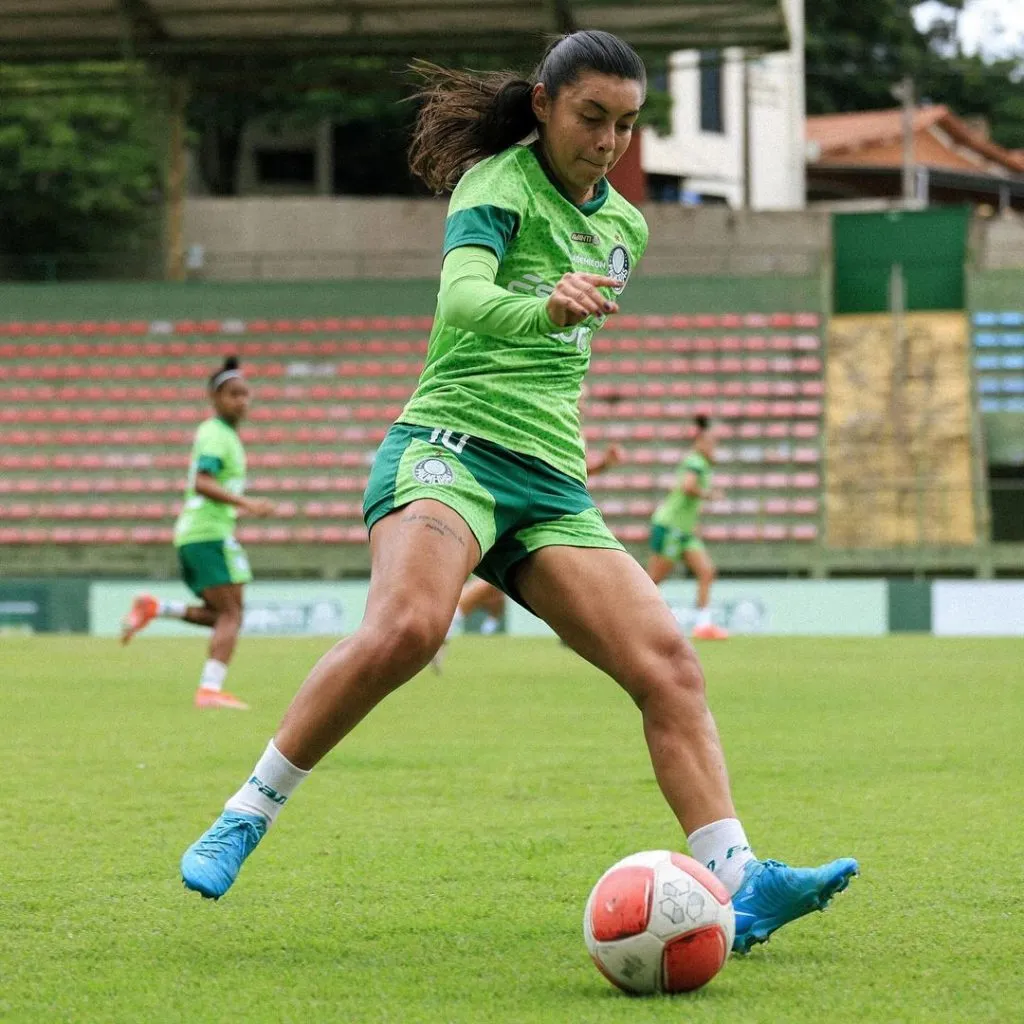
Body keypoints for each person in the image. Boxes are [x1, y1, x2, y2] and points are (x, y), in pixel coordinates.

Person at [179, 31, 856, 954]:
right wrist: (543, 304)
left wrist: (562, 335)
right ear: (543, 103)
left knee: (668, 665)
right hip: (449, 447)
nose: (609, 139)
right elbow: (461, 298)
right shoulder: (496, 186)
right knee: (410, 628)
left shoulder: (627, 227)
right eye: (591, 117)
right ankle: (248, 810)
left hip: (549, 482)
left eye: (626, 123)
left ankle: (740, 881)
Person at [121, 356, 274, 709]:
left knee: (222, 614)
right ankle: (209, 690)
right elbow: (202, 482)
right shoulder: (216, 435)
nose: (242, 401)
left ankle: (154, 607)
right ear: (215, 397)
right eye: (234, 394)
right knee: (232, 615)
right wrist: (246, 504)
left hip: (197, 534)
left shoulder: (223, 435)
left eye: (246, 394)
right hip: (209, 533)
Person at [436, 443, 625, 663]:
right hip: (525, 502)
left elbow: (570, 470)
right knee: (516, 572)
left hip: (537, 501)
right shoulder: (547, 417)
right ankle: (449, 619)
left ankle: (450, 619)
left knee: (532, 576)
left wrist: (602, 465)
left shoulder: (565, 422)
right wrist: (602, 464)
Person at [647, 414, 729, 639]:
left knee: (706, 571)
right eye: (710, 443)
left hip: (684, 531)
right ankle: (631, 622)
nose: (714, 448)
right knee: (653, 579)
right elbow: (688, 487)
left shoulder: (701, 463)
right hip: (671, 527)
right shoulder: (695, 462)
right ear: (700, 443)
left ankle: (703, 626)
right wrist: (710, 495)